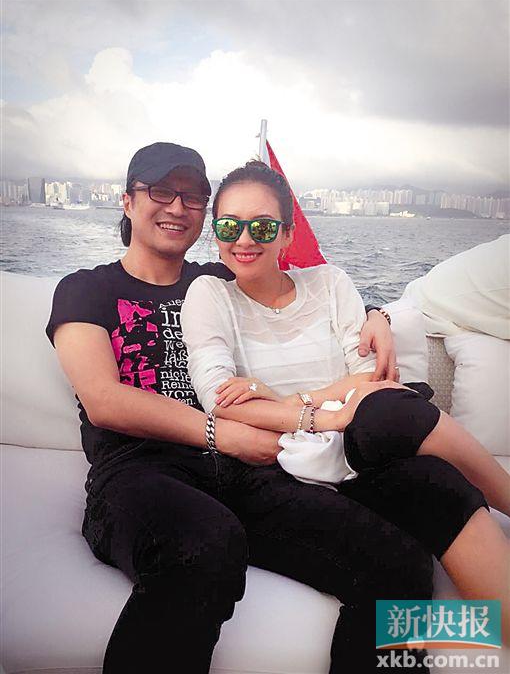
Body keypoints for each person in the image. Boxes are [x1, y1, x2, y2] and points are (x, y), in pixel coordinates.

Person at [43, 142, 454, 673]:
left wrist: (378, 315)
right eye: (161, 191)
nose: (177, 207)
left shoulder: (218, 281)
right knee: (205, 544)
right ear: (127, 201)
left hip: (247, 474)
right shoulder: (86, 288)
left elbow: (305, 289)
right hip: (139, 472)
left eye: (193, 197)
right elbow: (104, 401)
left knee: (401, 566)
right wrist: (222, 434)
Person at [180, 160, 510, 644]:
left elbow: (367, 379)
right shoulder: (210, 295)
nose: (244, 239)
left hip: (357, 453)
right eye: (229, 226)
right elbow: (220, 399)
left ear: (288, 234)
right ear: (216, 232)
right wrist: (329, 415)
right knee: (391, 417)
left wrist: (295, 400)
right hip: (277, 467)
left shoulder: (329, 283)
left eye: (263, 227)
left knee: (438, 482)